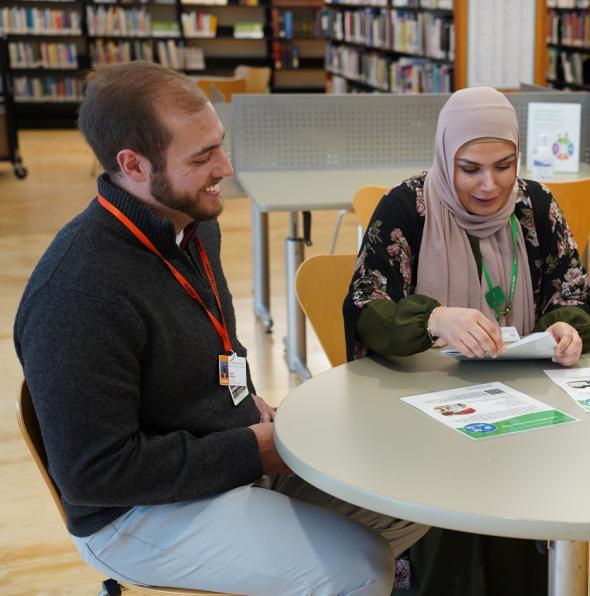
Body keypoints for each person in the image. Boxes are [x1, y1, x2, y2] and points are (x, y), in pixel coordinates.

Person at [14, 61, 426, 595]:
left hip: (220, 455)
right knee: (358, 567)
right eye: (202, 156)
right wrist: (252, 450)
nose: (225, 167)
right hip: (131, 512)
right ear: (132, 165)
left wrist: (253, 410)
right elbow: (95, 474)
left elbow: (212, 355)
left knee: (408, 493)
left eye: (220, 145)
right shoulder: (76, 293)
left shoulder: (190, 226)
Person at [343, 87, 590, 595]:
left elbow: (573, 290)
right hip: (423, 412)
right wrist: (434, 319)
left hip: (523, 409)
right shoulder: (406, 207)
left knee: (521, 520)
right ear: (445, 155)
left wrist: (567, 325)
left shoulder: (536, 205)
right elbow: (365, 308)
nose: (490, 185)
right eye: (470, 169)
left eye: (505, 166)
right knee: (451, 530)